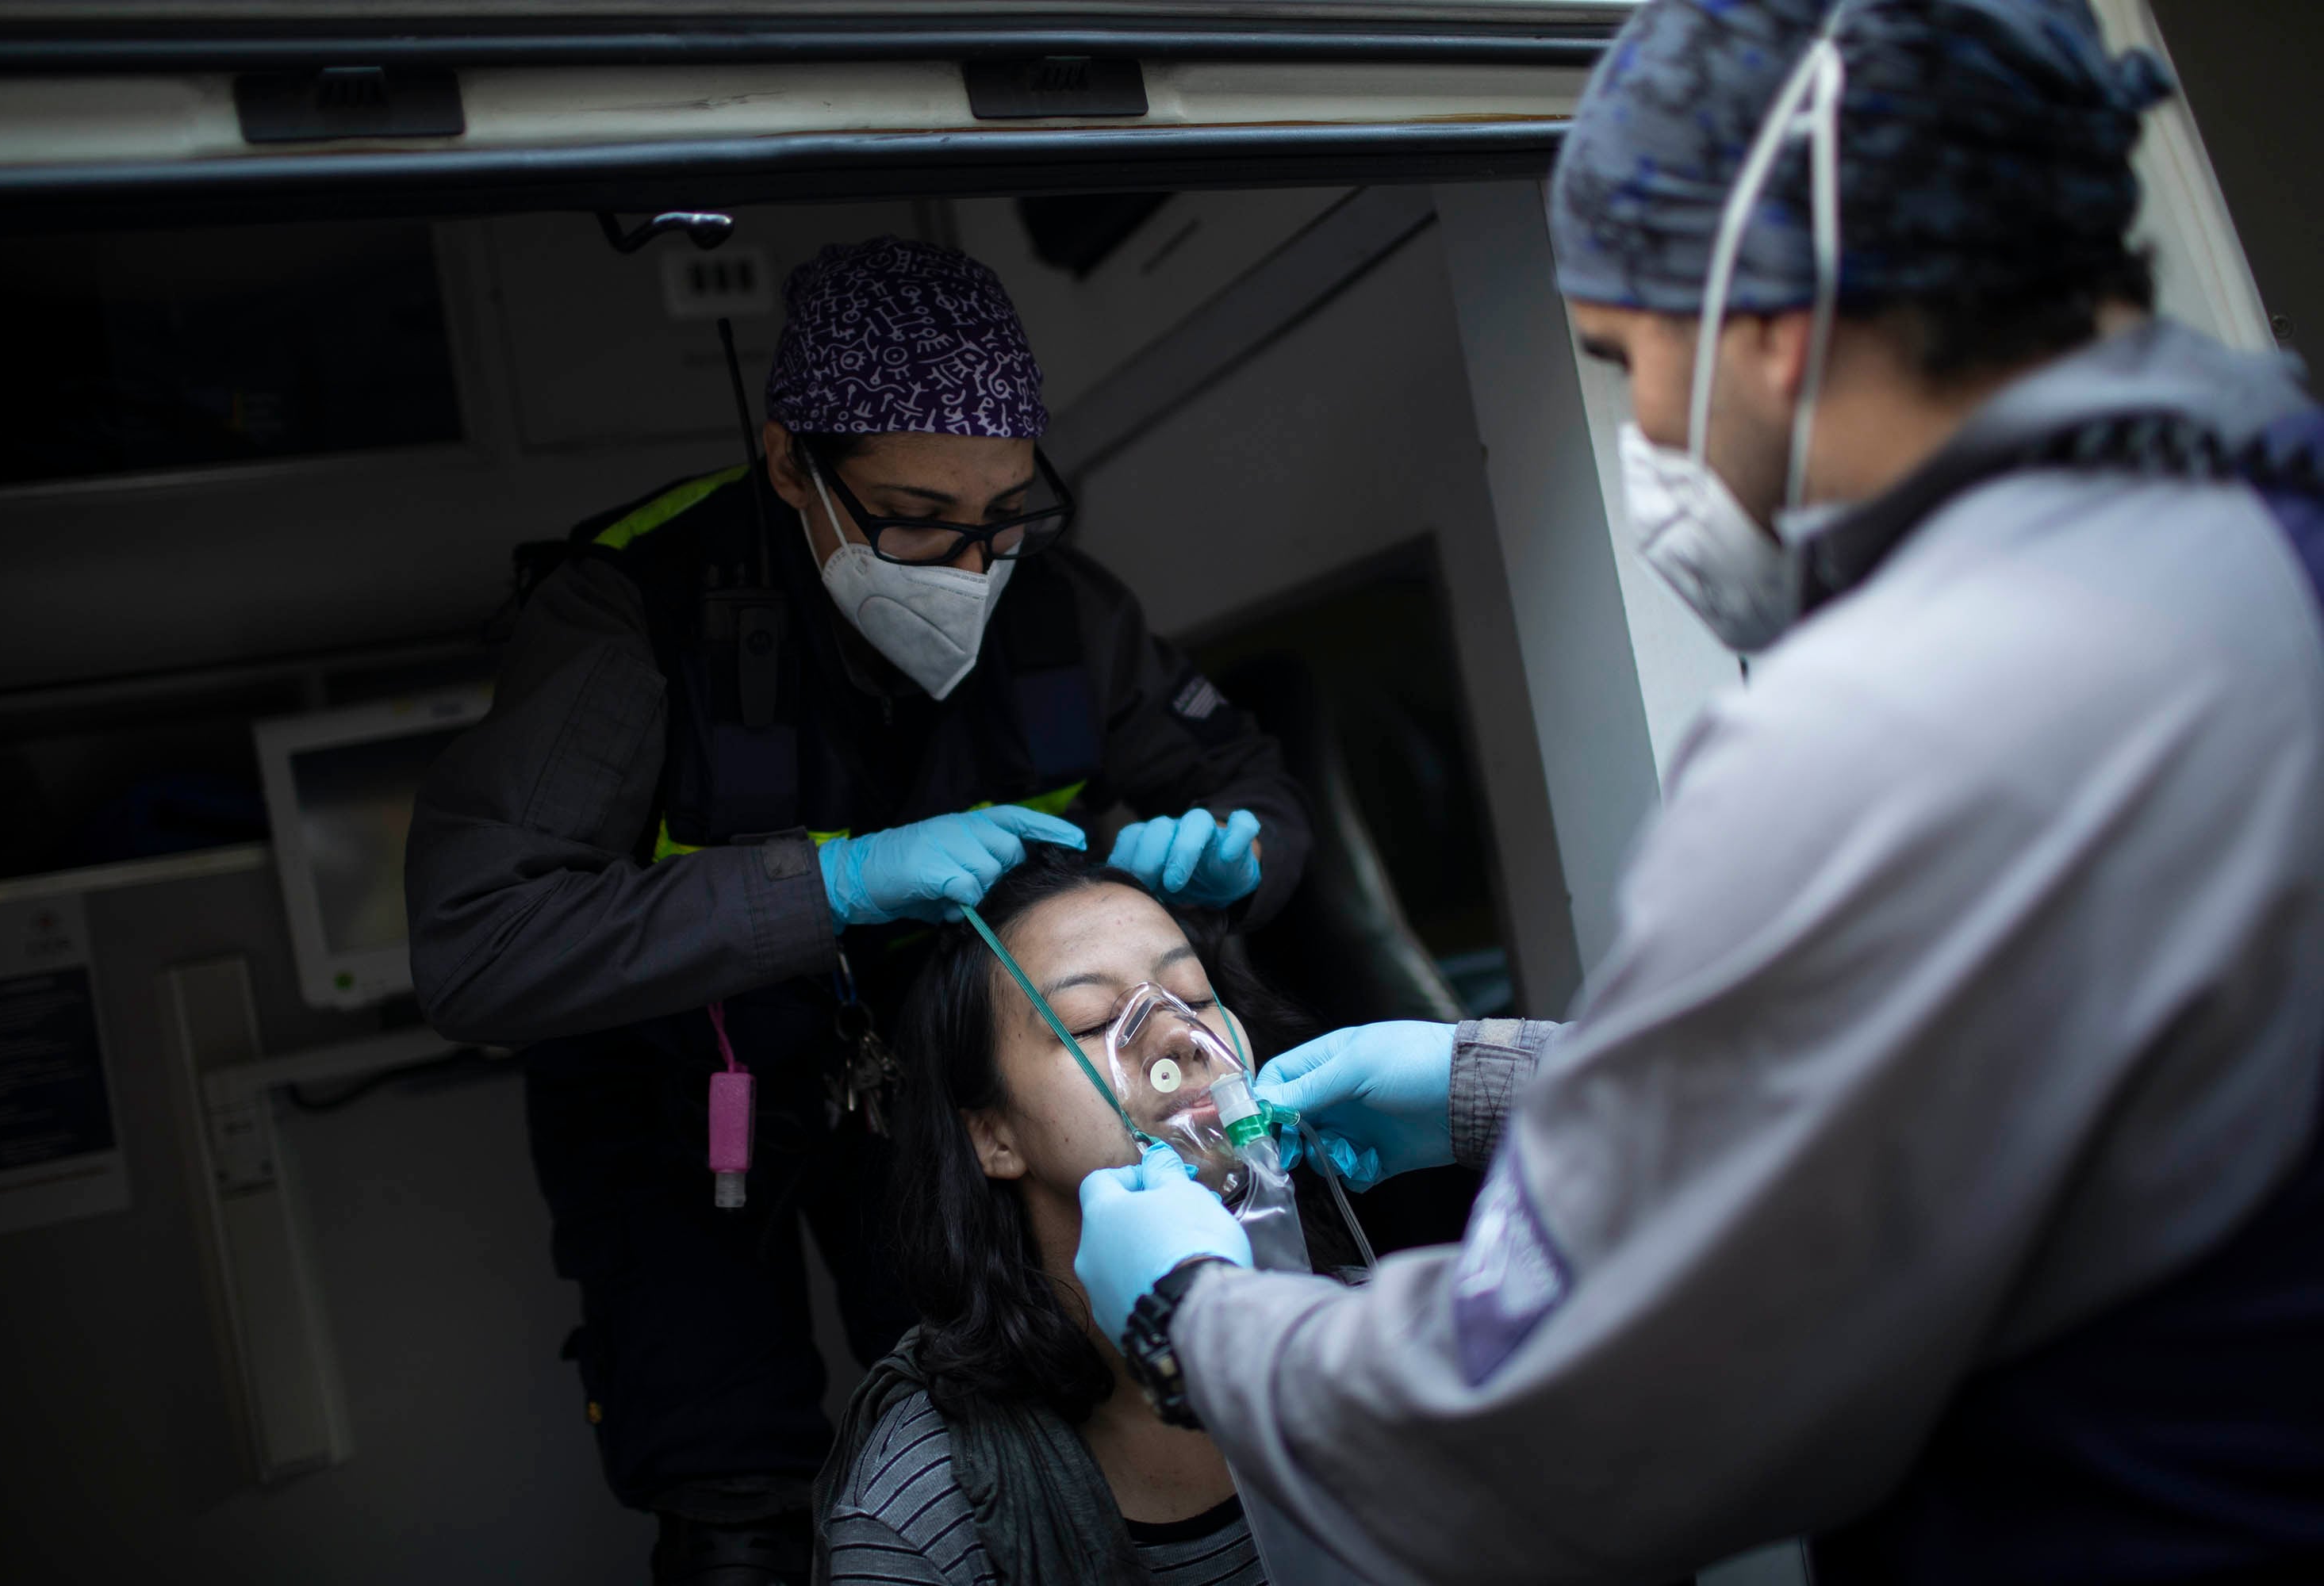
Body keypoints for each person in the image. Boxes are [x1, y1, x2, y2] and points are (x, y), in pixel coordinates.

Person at [1067, 2, 2324, 1581]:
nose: (1650, 436)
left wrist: (1200, 1317)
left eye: (1626, 362)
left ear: (1774, 326)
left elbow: (1546, 1440)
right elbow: (2012, 1066)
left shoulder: (1892, 728)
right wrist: (1502, 1076)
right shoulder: (2257, 548)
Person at [405, 237, 1311, 1585]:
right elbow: (475, 944)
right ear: (789, 466)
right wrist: (831, 885)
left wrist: (1238, 857)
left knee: (1009, 1410)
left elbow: (1256, 794)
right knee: (727, 1478)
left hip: (936, 1110)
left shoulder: (1065, 609)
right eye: (917, 516)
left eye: (1004, 511)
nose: (970, 561)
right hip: (679, 1104)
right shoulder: (631, 612)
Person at [812, 845, 1348, 1585]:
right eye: (1093, 1022)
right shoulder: (923, 1519)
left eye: (1193, 997)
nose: (1175, 1041)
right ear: (994, 1137)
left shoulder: (1394, 1338)